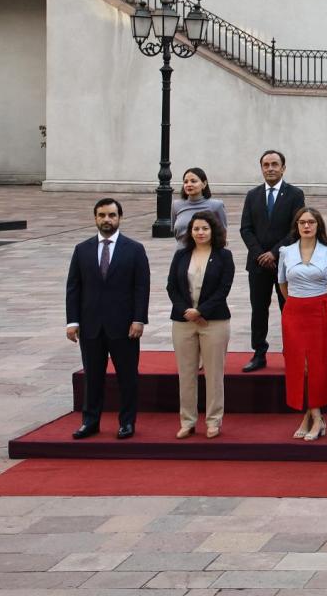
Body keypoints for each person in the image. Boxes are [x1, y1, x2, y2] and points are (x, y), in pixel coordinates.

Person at [66, 198, 149, 440]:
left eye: (112, 215)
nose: (107, 220)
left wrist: (139, 319)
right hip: (91, 326)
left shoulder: (134, 249)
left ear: (120, 218)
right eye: (102, 215)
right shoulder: (82, 249)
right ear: (95, 218)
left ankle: (127, 423)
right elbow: (74, 287)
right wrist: (72, 321)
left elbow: (141, 287)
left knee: (127, 377)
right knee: (92, 377)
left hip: (124, 326)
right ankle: (90, 422)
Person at [166, 212, 235, 439]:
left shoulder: (224, 256)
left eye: (205, 228)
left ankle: (214, 421)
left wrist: (201, 311)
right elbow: (171, 287)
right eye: (196, 229)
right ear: (190, 232)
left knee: (214, 375)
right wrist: (187, 311)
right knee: (186, 374)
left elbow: (223, 289)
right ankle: (187, 421)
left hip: (214, 322)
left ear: (213, 230)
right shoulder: (181, 255)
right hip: (184, 321)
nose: (200, 232)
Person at [238, 150, 305, 372]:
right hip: (258, 264)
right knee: (259, 310)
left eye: (275, 164)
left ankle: (292, 353)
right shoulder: (253, 195)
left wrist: (274, 253)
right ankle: (259, 353)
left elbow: (296, 228)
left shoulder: (295, 194)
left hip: (285, 263)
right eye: (266, 165)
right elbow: (246, 229)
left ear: (283, 168)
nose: (270, 168)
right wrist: (260, 254)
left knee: (288, 309)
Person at [278, 206, 327, 442]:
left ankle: (312, 417)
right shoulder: (286, 252)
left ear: (318, 226)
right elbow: (282, 283)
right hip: (294, 312)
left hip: (320, 311)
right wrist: (297, 302)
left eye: (311, 222)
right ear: (296, 226)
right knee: (300, 365)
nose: (306, 226)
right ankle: (316, 416)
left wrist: (317, 301)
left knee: (317, 365)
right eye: (302, 222)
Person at [172, 167, 228, 246]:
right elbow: (175, 232)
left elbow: (222, 232)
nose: (189, 185)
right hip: (182, 251)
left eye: (193, 181)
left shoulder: (217, 205)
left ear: (204, 184)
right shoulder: (176, 205)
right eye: (186, 182)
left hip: (208, 251)